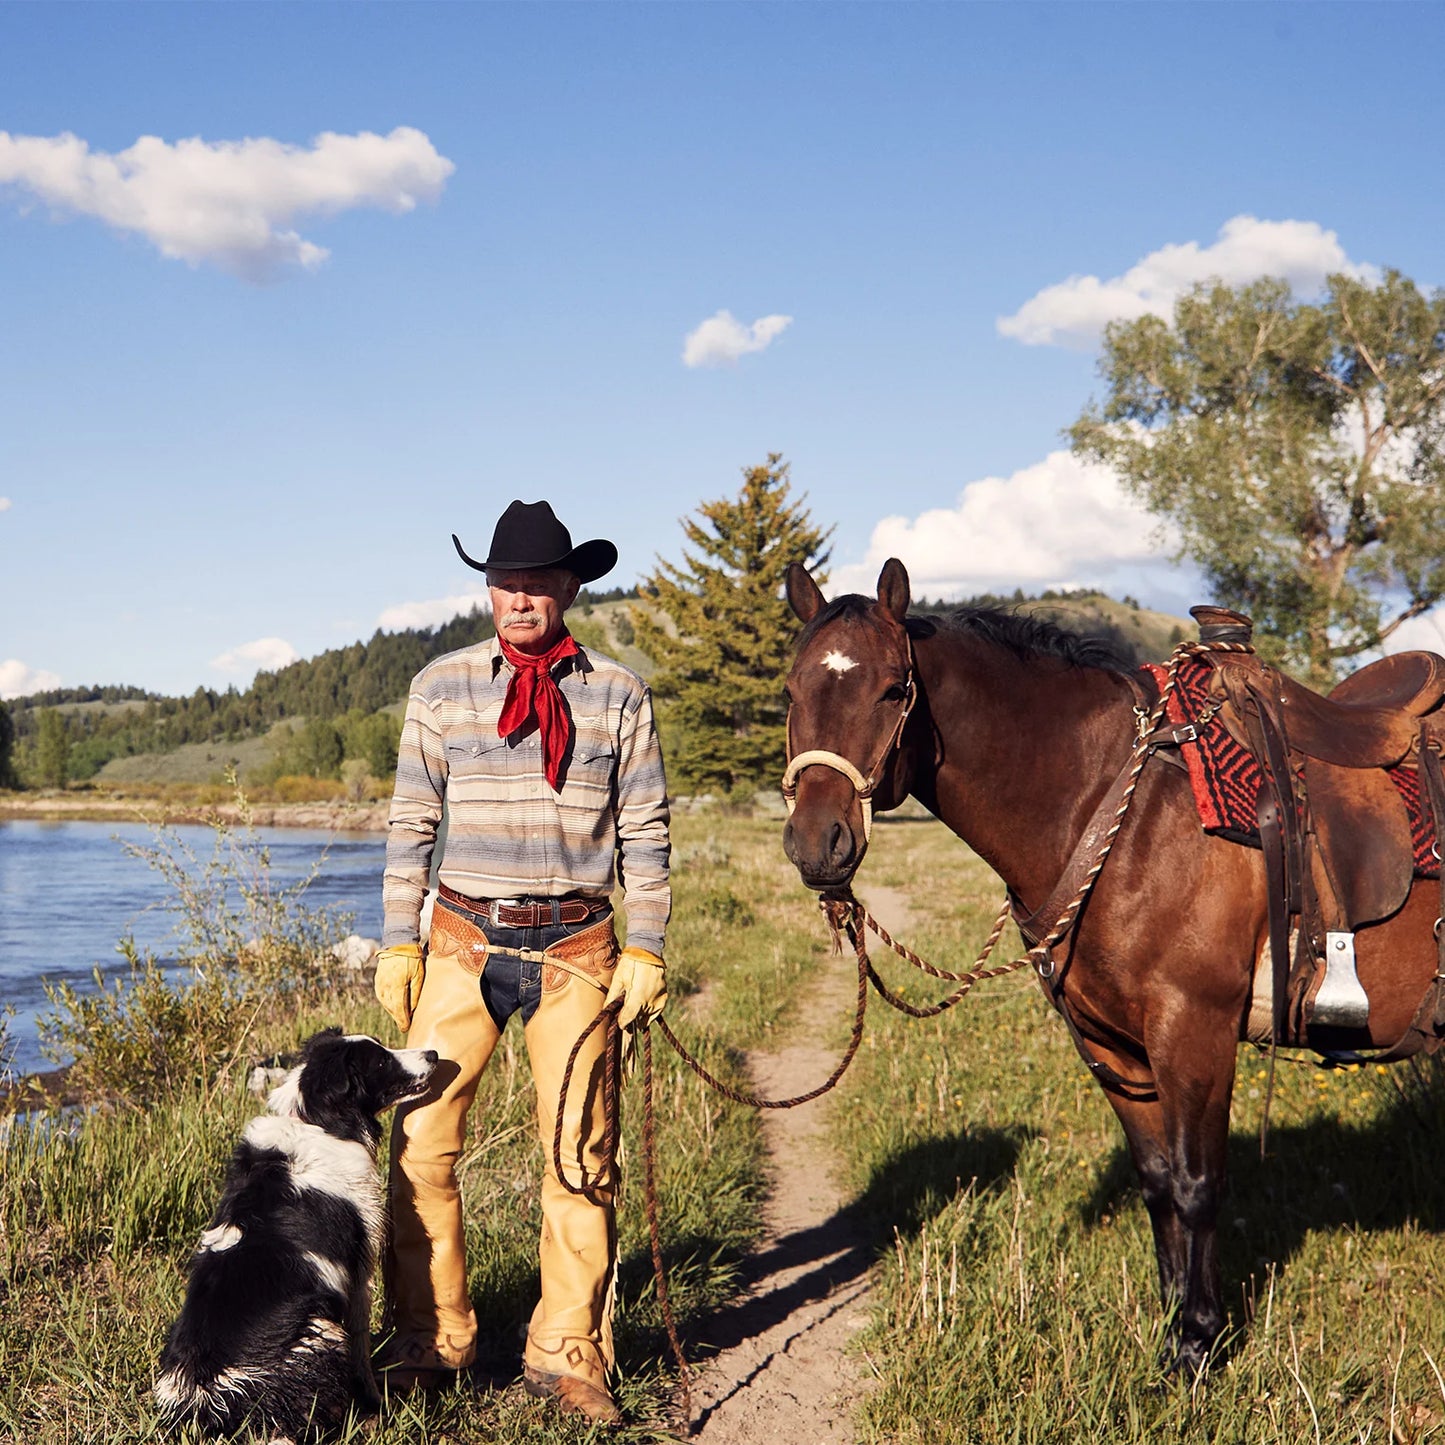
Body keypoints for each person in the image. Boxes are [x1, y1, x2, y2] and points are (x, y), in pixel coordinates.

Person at [372, 499, 670, 1423]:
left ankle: (567, 1348)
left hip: (577, 948)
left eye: (537, 583)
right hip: (461, 941)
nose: (520, 598)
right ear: (489, 590)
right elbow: (411, 820)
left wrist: (647, 945)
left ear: (568, 587)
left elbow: (646, 831)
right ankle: (429, 1335)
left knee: (580, 1154)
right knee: (420, 1143)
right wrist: (397, 939)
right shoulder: (441, 686)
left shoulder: (618, 693)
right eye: (505, 583)